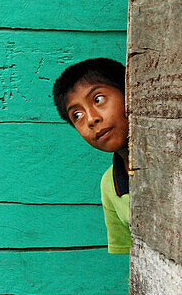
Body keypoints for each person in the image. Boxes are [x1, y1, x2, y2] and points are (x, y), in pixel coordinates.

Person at [51, 58, 130, 254]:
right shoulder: (110, 184)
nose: (92, 119)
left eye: (98, 99)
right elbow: (136, 256)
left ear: (129, 93)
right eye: (77, 115)